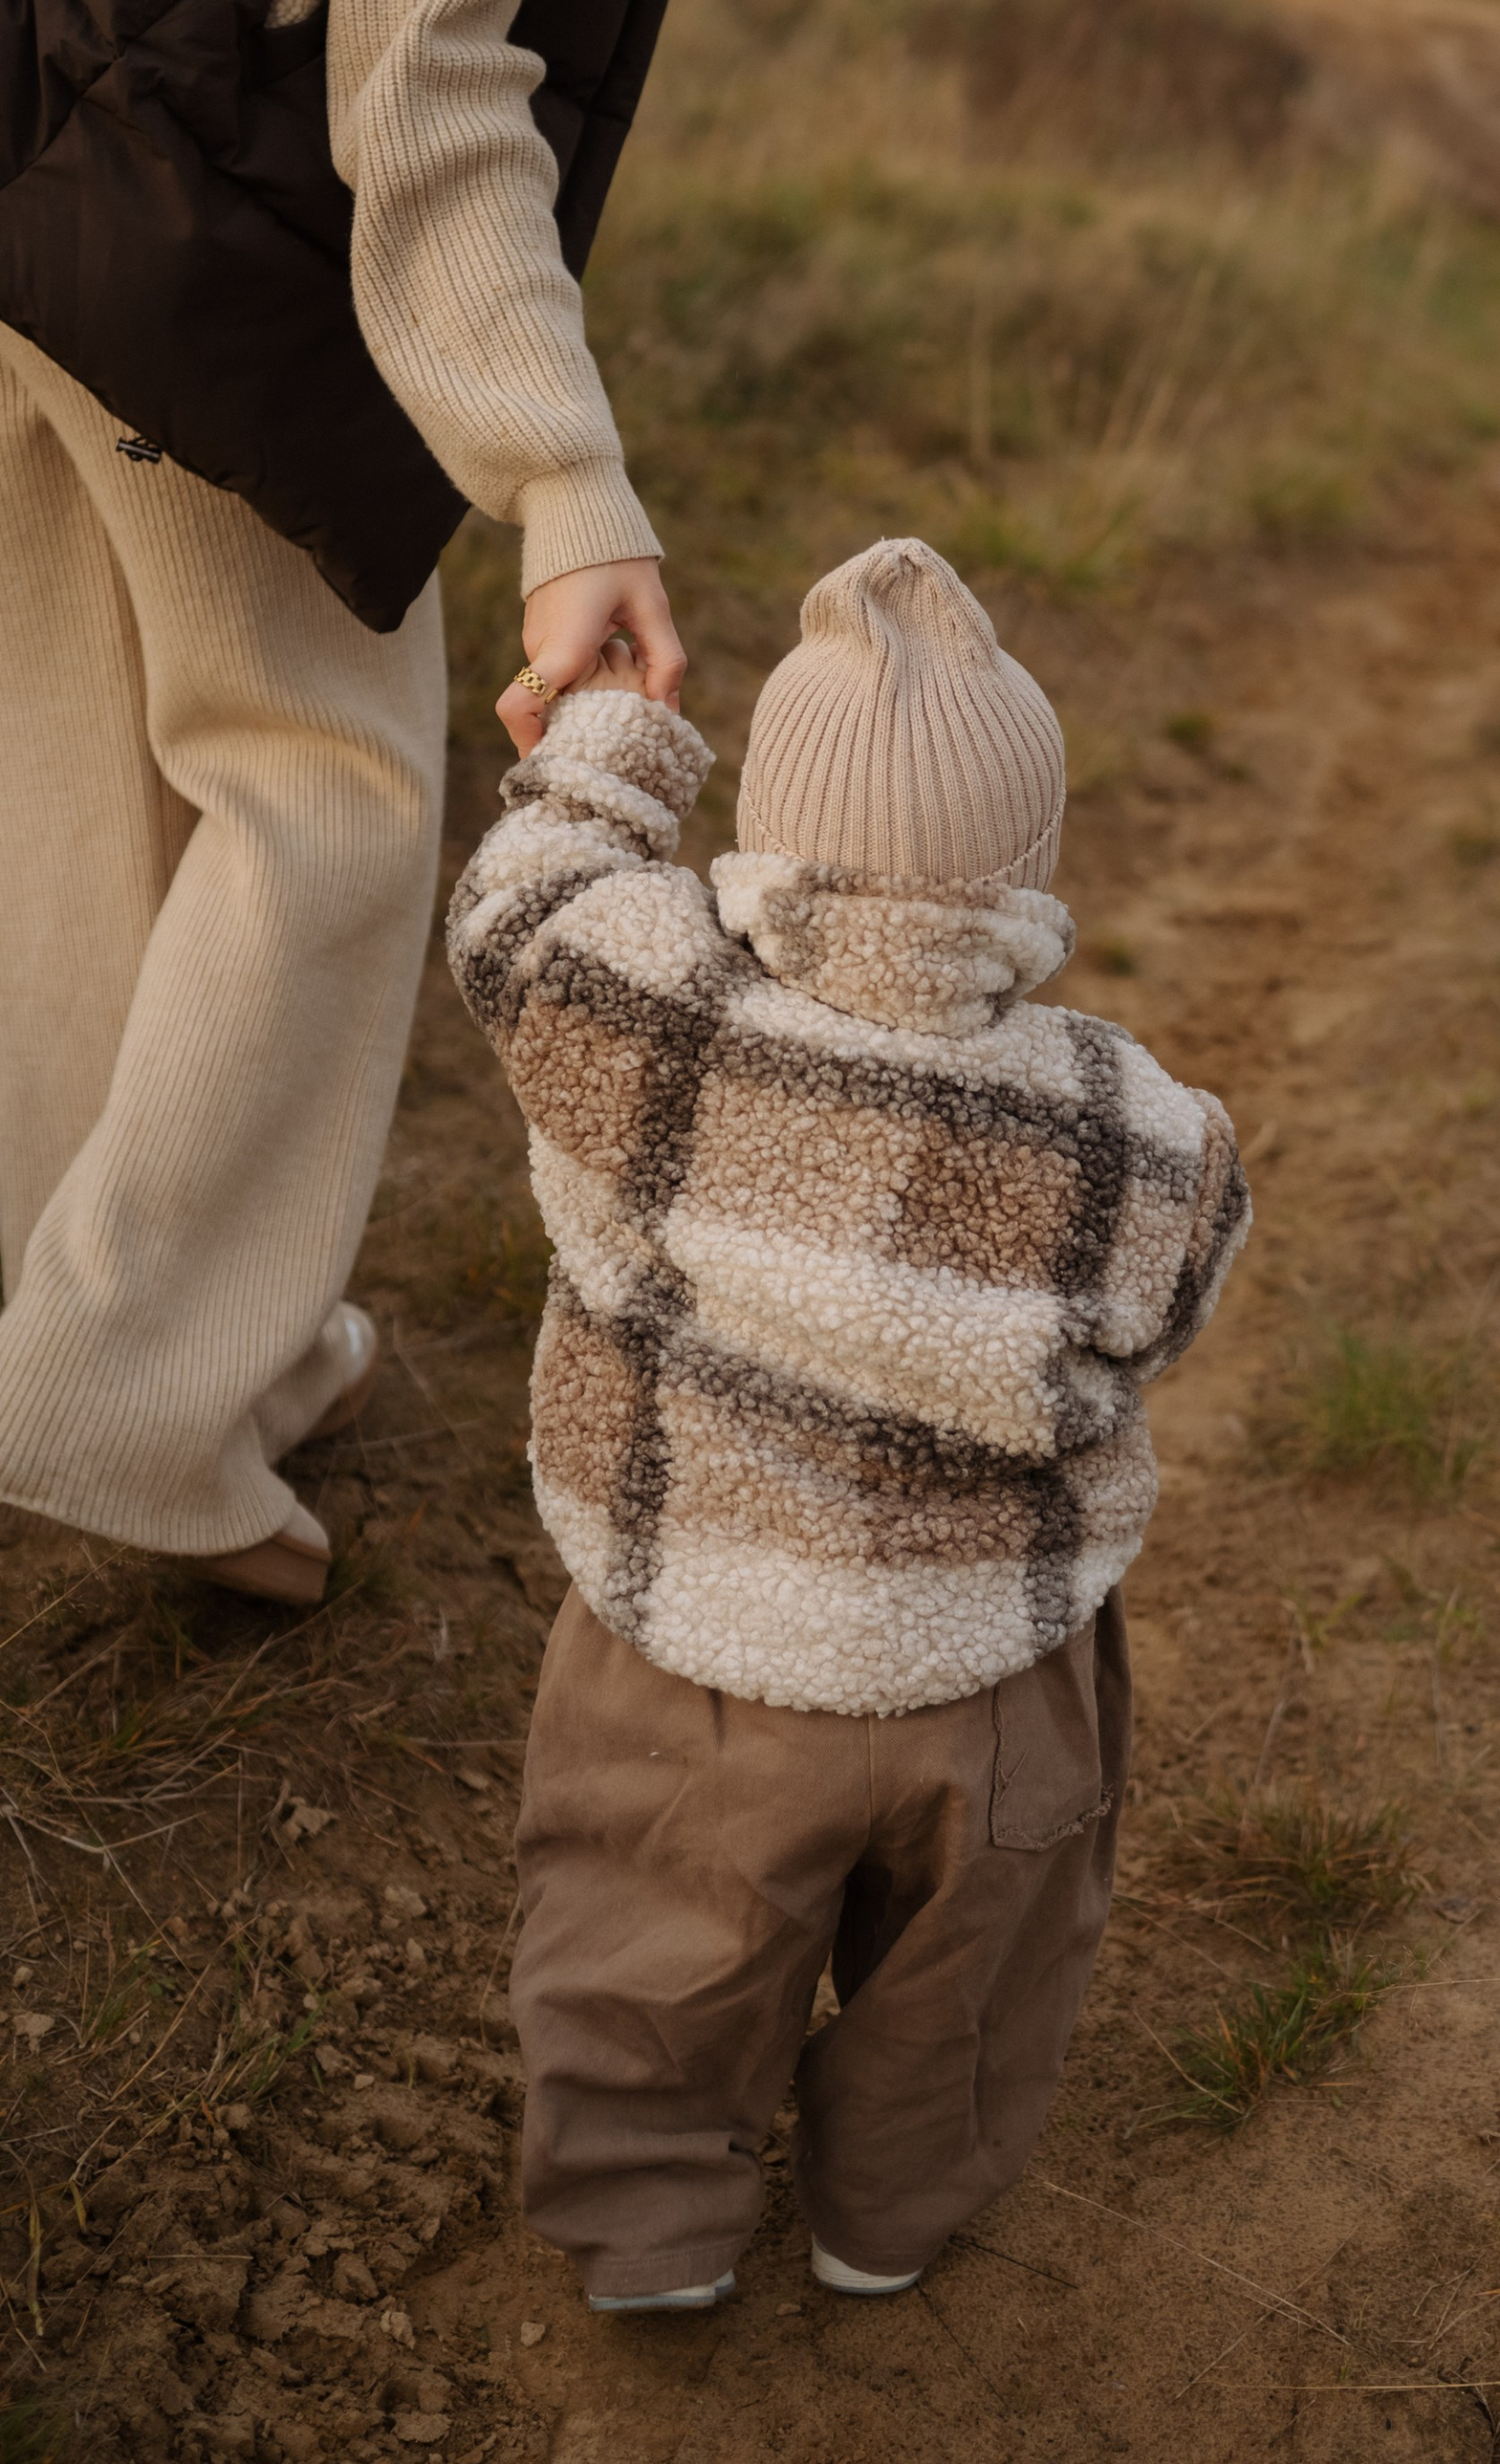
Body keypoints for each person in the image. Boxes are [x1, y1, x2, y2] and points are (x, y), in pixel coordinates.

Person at [0, 0, 1005, 1606]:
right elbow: (425, 82)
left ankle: (124, 1332)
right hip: (187, 221)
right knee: (319, 796)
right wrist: (570, 490)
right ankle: (129, 1418)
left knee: (55, 774)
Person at [444, 537, 1249, 2308]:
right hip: (998, 1675)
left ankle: (650, 2227)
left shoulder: (645, 1013)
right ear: (1024, 875)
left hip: (692, 1657)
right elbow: (1168, 1314)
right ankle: (883, 2218)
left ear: (765, 851)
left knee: (651, 1945)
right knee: (975, 1980)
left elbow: (518, 909)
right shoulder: (1131, 1126)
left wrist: (609, 742)